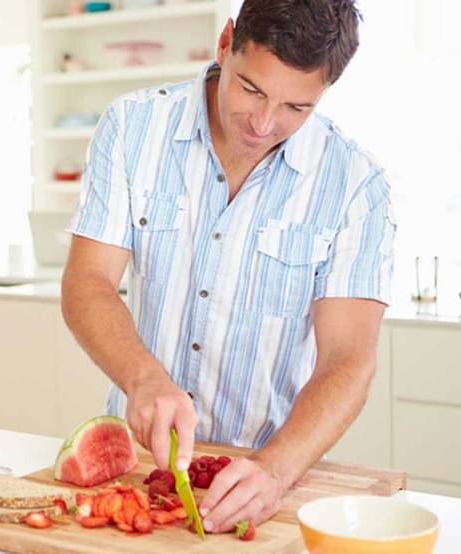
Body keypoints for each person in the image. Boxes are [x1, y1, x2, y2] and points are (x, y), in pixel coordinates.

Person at [61, 0, 395, 534]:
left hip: (268, 474)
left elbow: (349, 360)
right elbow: (87, 281)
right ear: (225, 42)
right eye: (251, 89)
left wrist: (275, 470)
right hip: (140, 468)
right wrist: (144, 378)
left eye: (296, 108)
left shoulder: (357, 186)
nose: (263, 124)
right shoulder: (132, 128)